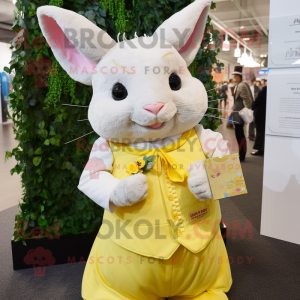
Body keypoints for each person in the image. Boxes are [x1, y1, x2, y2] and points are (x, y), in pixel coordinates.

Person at [232, 66, 254, 162]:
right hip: (238, 115)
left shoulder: (242, 86)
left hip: (240, 115)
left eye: (236, 76)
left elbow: (247, 100)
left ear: (240, 77)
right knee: (239, 134)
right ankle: (241, 153)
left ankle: (242, 154)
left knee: (240, 135)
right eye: (234, 76)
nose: (234, 78)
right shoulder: (240, 85)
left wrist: (248, 113)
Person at [251, 86, 267, 156]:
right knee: (263, 132)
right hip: (266, 114)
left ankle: (260, 150)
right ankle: (263, 149)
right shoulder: (273, 89)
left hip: (260, 114)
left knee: (260, 132)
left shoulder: (264, 89)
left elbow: (257, 101)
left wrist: (253, 104)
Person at [248, 77, 260, 141]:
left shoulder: (251, 88)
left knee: (252, 121)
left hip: (252, 106)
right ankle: (253, 135)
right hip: (256, 107)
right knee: (255, 121)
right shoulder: (258, 88)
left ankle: (251, 135)